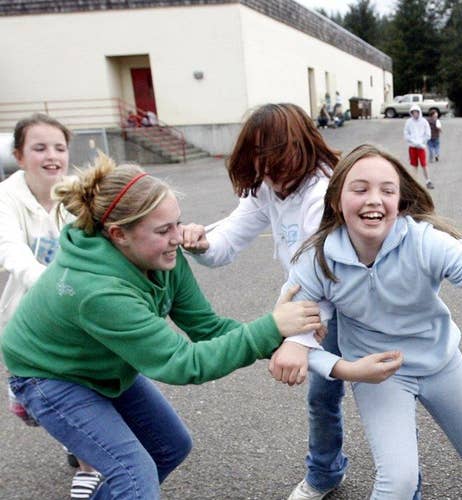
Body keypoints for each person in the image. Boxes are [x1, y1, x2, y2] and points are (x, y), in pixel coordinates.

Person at [1, 154, 324, 499]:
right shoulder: (97, 291)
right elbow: (182, 362)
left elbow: (207, 327)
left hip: (99, 362)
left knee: (170, 446)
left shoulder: (162, 257)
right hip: (49, 375)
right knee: (134, 471)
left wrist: (285, 339)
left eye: (177, 223)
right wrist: (271, 327)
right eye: (163, 229)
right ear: (118, 234)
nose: (179, 237)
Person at [270, 144, 462, 499]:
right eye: (360, 189)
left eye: (387, 190)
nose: (374, 199)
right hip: (378, 372)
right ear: (337, 200)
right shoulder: (318, 260)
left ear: (400, 203)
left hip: (440, 362)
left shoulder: (424, 242)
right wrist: (321, 357)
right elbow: (294, 337)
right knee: (399, 481)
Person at [178, 102, 350, 500]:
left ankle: (406, 476)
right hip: (317, 310)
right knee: (322, 399)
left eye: (275, 156)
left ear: (302, 144)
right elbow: (227, 242)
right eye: (258, 157)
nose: (268, 168)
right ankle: (325, 473)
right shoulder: (267, 187)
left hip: (355, 307)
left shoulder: (324, 189)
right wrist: (202, 244)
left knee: (383, 395)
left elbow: (318, 272)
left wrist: (296, 338)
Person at [0, 114, 104, 499]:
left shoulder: (77, 193)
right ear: (19, 155)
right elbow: (12, 252)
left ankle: (87, 466)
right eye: (39, 148)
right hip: (27, 318)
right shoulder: (6, 199)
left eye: (59, 147)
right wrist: (55, 287)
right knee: (41, 403)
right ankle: (27, 396)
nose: (52, 156)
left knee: (84, 382)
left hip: (77, 316)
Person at [404, 104, 433, 189]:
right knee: (414, 165)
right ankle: (414, 183)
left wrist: (422, 142)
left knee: (424, 164)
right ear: (411, 113)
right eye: (413, 112)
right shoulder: (409, 122)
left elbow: (428, 134)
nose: (415, 114)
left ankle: (428, 181)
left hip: (421, 147)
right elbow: (406, 133)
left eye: (416, 112)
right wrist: (412, 141)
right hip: (412, 147)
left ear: (419, 112)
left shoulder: (424, 121)